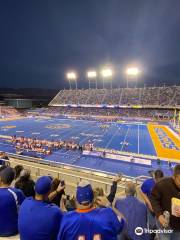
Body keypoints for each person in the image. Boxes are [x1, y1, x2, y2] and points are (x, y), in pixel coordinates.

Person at [57, 180, 125, 240]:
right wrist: (109, 205)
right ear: (93, 199)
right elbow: (123, 221)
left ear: (77, 200)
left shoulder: (67, 218)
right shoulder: (107, 214)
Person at [18, 176, 63, 240]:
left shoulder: (26, 202)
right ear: (49, 191)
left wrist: (57, 191)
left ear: (34, 188)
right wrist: (64, 209)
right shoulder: (55, 211)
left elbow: (42, 199)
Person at [150, 164, 180, 240]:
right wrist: (159, 215)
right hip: (164, 224)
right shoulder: (162, 184)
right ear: (174, 177)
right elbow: (153, 198)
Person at [0, 167, 25, 237]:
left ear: (1, 179)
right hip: (14, 230)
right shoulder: (17, 193)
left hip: (12, 231)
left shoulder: (17, 193)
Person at [140, 169, 164, 235]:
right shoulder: (147, 183)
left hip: (161, 209)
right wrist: (148, 203)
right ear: (154, 178)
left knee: (162, 227)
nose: (158, 183)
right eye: (157, 181)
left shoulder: (165, 184)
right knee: (152, 226)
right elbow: (142, 191)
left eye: (160, 181)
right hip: (151, 210)